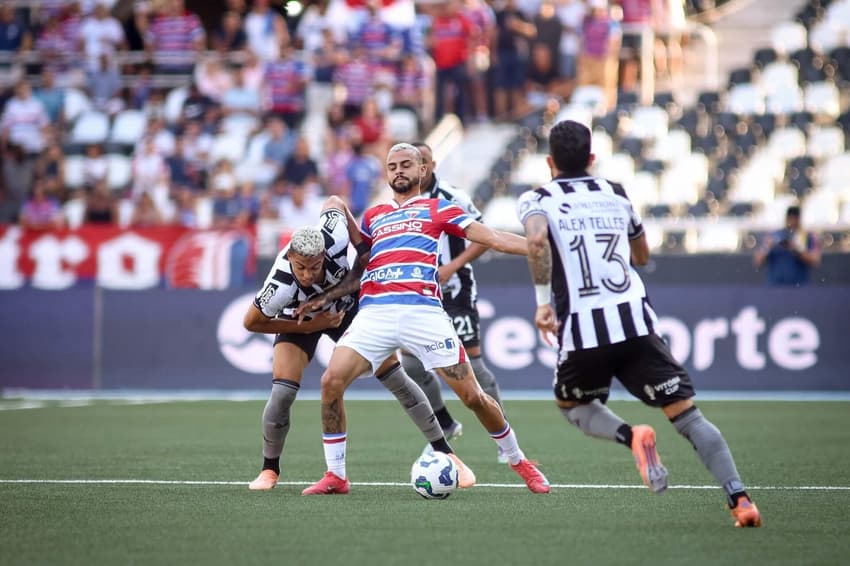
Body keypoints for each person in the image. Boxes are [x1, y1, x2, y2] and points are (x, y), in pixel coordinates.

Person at [516, 120, 762, 526]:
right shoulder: (615, 192)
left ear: (549, 162)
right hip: (635, 324)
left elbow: (537, 239)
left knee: (572, 404)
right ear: (592, 158)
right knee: (688, 416)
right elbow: (642, 255)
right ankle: (741, 499)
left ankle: (632, 436)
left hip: (583, 331)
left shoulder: (537, 198)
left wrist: (544, 303)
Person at [296, 143, 550, 495]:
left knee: (473, 397)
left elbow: (491, 237)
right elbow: (359, 270)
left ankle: (519, 461)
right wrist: (326, 296)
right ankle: (336, 476)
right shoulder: (373, 216)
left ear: (422, 170)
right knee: (330, 382)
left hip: (423, 313)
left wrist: (537, 247)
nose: (398, 171)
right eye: (392, 166)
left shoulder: (439, 208)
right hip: (375, 314)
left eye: (406, 164)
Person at [244, 195, 471, 491]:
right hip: (299, 319)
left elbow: (335, 201)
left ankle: (447, 453)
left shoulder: (335, 236)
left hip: (346, 309)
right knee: (282, 393)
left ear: (325, 253)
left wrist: (362, 247)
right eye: (301, 268)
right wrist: (313, 324)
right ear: (290, 259)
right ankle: (269, 470)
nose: (308, 274)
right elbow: (252, 322)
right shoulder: (280, 285)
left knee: (396, 378)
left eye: (315, 266)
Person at [404, 142, 509, 463]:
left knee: (473, 367)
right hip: (419, 295)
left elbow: (485, 237)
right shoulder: (401, 200)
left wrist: (451, 266)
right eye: (412, 162)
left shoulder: (452, 196)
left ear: (431, 165)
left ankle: (504, 438)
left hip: (455, 292)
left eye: (422, 161)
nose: (418, 167)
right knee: (411, 365)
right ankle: (446, 424)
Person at [753, 205, 820, 287]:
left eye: (795, 219)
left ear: (799, 219)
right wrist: (767, 247)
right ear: (786, 219)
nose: (792, 222)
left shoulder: (807, 237)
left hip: (799, 287)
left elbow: (815, 261)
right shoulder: (774, 236)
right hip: (775, 287)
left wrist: (796, 249)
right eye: (790, 219)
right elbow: (757, 262)